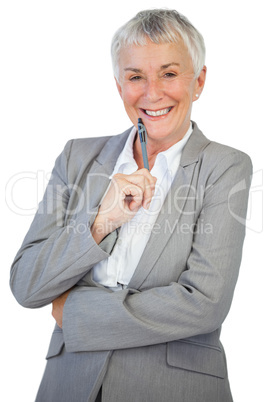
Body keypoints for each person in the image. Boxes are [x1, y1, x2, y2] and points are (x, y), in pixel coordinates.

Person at [10, 8, 252, 402]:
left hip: (175, 388)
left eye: (169, 73)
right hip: (69, 386)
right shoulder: (77, 157)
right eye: (135, 76)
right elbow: (26, 284)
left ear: (199, 81)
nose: (152, 92)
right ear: (119, 85)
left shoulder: (225, 166)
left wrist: (73, 311)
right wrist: (98, 224)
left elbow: (205, 302)